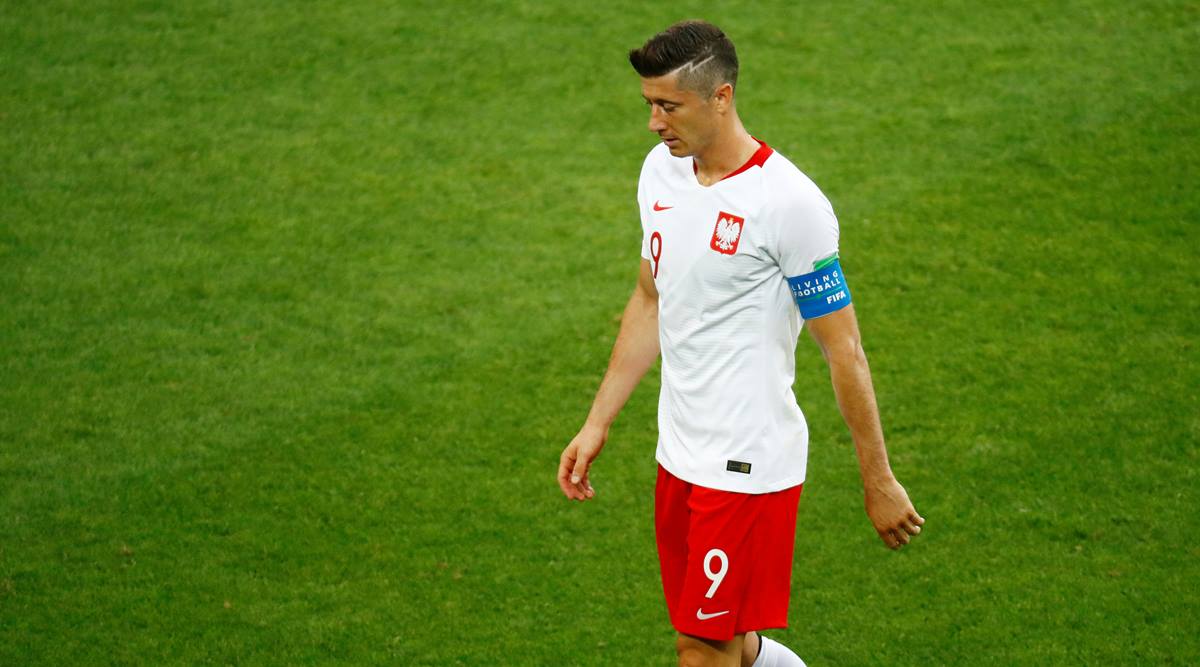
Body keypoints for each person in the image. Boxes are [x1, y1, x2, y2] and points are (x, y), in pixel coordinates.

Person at [556, 20, 924, 667]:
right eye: (649, 105)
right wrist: (597, 420)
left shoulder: (788, 204)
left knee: (702, 650)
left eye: (668, 106)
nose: (653, 123)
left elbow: (844, 351)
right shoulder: (660, 174)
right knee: (723, 640)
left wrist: (879, 478)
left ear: (720, 97)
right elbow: (650, 299)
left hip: (746, 465)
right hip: (678, 453)